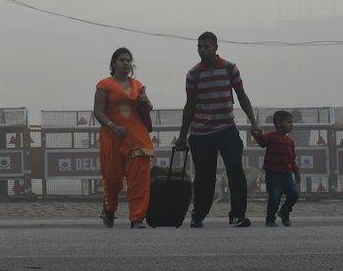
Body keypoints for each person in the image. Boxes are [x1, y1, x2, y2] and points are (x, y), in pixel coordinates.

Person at [175, 31, 261, 228]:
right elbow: (189, 105)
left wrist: (254, 123)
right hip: (201, 133)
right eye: (200, 47)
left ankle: (238, 215)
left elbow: (241, 95)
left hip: (226, 129)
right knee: (204, 177)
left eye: (207, 46)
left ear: (215, 47)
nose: (203, 50)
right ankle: (198, 214)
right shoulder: (194, 74)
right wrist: (182, 135)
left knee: (235, 172)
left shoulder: (230, 69)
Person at [93, 47, 154, 229]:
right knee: (113, 181)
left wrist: (146, 102)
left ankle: (137, 218)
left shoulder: (138, 85)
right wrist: (113, 126)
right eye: (121, 60)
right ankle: (109, 209)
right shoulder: (104, 85)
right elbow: (97, 112)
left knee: (139, 178)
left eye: (128, 60)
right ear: (114, 63)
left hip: (136, 137)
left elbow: (147, 107)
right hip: (112, 136)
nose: (126, 63)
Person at [256, 110, 300, 227]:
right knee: (274, 198)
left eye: (292, 122)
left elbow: (292, 159)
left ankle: (284, 212)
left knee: (294, 194)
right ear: (279, 123)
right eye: (288, 122)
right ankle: (270, 219)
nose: (291, 124)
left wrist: (296, 171)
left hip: (286, 175)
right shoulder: (270, 137)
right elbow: (262, 142)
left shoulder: (290, 142)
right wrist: (257, 134)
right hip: (273, 175)